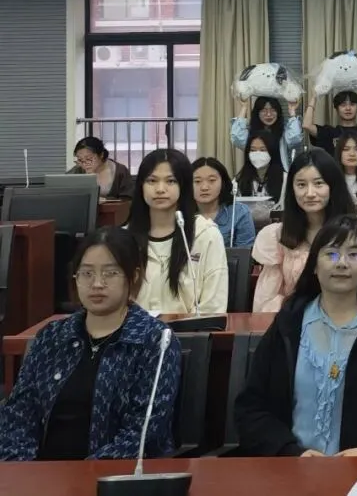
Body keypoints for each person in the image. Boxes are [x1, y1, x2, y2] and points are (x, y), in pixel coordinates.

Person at [235, 215, 357, 457]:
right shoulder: (288, 325)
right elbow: (250, 408)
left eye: (354, 255)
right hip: (291, 466)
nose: (341, 263)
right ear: (314, 265)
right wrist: (292, 452)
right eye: (331, 254)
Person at [0, 227, 181, 461]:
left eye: (110, 273)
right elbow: (17, 416)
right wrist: (22, 468)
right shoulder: (52, 337)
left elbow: (144, 434)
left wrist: (86, 473)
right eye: (86, 273)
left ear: (133, 276)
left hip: (113, 476)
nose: (97, 284)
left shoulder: (155, 340)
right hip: (41, 473)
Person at [253, 149, 356, 313]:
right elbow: (266, 302)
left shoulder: (356, 235)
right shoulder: (277, 236)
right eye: (301, 185)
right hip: (292, 319)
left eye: (318, 183)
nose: (310, 193)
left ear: (333, 186)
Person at [128, 149, 228, 315]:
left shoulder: (206, 235)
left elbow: (213, 307)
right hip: (136, 330)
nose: (160, 189)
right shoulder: (125, 238)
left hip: (190, 330)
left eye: (171, 181)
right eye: (152, 181)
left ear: (184, 186)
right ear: (141, 186)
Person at [304, 89, 357, 158]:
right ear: (336, 109)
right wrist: (314, 97)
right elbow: (307, 125)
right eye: (343, 105)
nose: (348, 108)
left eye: (352, 104)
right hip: (335, 174)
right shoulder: (329, 132)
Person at [192, 156, 256, 248]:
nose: (204, 187)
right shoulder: (180, 214)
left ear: (223, 182)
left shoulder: (239, 212)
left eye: (212, 180)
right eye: (197, 181)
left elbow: (244, 253)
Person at [232, 96, 302, 168]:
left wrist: (292, 111)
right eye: (264, 110)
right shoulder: (251, 133)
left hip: (278, 172)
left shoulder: (283, 132)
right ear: (257, 113)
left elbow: (295, 138)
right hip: (255, 172)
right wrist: (244, 108)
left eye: (273, 110)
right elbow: (237, 138)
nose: (269, 114)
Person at [67, 136, 135, 199]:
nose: (84, 164)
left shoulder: (120, 171)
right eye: (80, 160)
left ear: (101, 155)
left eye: (88, 159)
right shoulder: (77, 171)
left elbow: (128, 200)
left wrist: (105, 200)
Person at [236, 130, 286, 202]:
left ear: (273, 152)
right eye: (253, 150)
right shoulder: (240, 180)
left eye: (263, 150)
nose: (257, 153)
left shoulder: (285, 179)